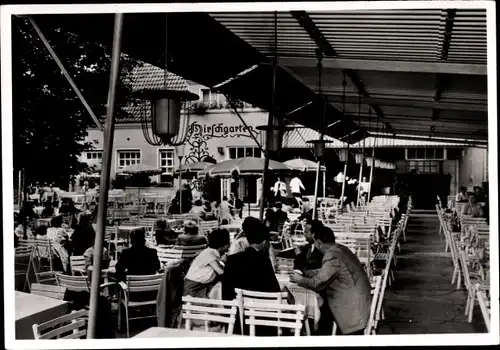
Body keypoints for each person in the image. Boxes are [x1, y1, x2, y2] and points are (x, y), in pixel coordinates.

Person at [289, 226, 371, 335]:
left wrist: (300, 280)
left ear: (318, 242)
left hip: (352, 308)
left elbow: (317, 284)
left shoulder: (332, 256)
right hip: (360, 299)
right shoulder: (341, 249)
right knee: (322, 309)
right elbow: (327, 271)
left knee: (320, 312)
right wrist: (307, 273)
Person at [221, 218, 281, 335]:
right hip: (263, 323)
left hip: (238, 321)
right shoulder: (264, 261)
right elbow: (274, 292)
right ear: (264, 243)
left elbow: (226, 292)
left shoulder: (231, 259)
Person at [183, 229, 230, 298]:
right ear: (225, 245)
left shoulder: (212, 252)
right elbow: (222, 273)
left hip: (201, 287)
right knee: (223, 293)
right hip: (193, 291)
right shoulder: (209, 254)